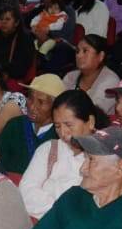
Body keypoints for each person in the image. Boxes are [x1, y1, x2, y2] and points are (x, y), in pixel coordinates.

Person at [17, 89, 103, 219]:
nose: (63, 132)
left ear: (90, 122)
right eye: (57, 126)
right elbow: (25, 192)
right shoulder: (50, 149)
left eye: (69, 125)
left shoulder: (105, 158)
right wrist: (62, 213)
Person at [61, 34, 119, 115]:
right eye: (77, 51)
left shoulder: (111, 80)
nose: (79, 55)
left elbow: (94, 112)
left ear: (101, 56)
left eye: (85, 51)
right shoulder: (70, 77)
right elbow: (60, 106)